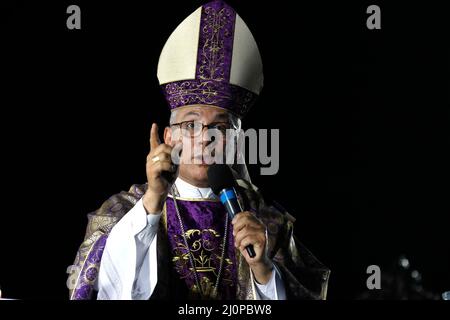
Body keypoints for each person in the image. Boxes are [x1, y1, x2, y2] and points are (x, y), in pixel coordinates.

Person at [68, 0, 330, 300]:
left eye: (219, 128)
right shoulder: (123, 211)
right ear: (168, 137)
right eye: (191, 126)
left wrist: (264, 270)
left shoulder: (266, 220)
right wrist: (154, 200)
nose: (205, 139)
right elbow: (104, 288)